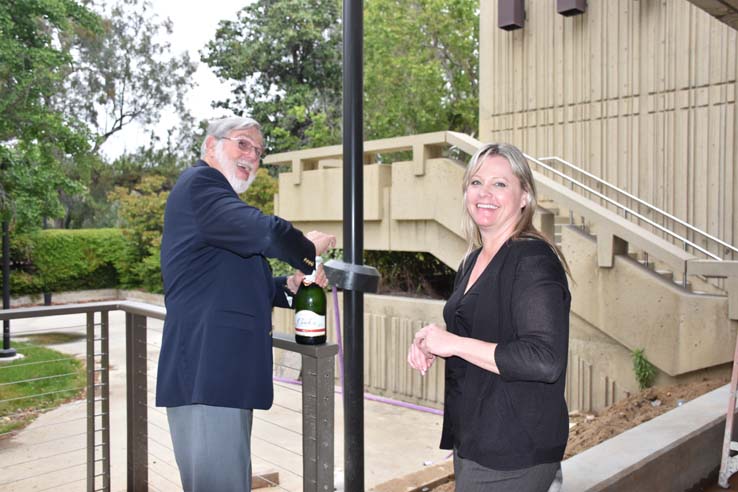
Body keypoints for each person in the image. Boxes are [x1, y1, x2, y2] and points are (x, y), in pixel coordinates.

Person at [156, 116, 335, 492]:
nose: (252, 156)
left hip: (221, 378)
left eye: (258, 151)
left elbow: (232, 284)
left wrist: (290, 286)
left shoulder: (217, 210)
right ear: (210, 146)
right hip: (208, 377)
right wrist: (307, 249)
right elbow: (267, 231)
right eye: (242, 144)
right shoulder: (201, 186)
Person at [407, 143, 571, 492]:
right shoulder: (472, 261)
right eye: (476, 182)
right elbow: (478, 330)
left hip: (514, 450)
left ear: (524, 196)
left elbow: (545, 360)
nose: (485, 193)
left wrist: (454, 342)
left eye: (500, 184)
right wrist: (437, 346)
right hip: (475, 439)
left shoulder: (532, 260)